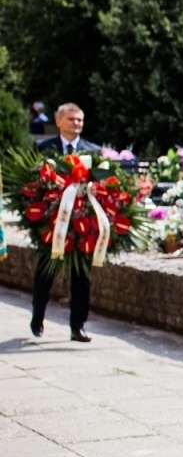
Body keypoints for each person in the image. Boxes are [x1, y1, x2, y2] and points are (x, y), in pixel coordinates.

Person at [30, 103, 101, 342]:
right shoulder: (44, 149)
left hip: (82, 224)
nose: (76, 124)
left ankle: (77, 326)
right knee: (45, 272)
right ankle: (38, 316)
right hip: (52, 222)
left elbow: (102, 185)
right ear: (59, 121)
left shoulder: (93, 151)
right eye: (71, 119)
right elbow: (33, 181)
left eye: (80, 120)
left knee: (81, 276)